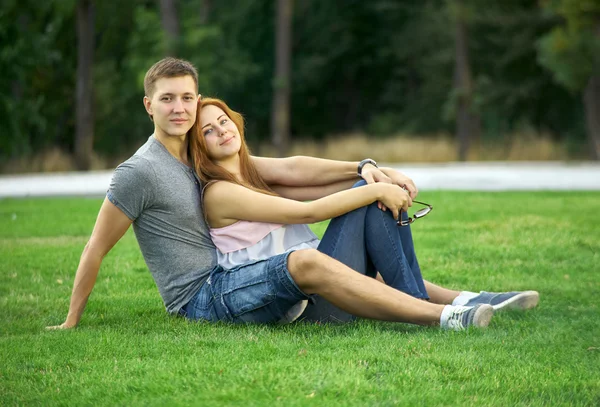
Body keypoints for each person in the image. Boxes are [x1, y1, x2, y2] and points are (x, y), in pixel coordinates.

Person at [47, 57, 536, 333]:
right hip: (203, 296)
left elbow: (292, 169)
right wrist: (71, 321)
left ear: (198, 100)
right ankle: (446, 318)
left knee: (357, 199)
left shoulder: (201, 159)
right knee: (310, 258)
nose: (179, 107)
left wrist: (366, 169)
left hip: (237, 280)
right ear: (148, 104)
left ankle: (473, 300)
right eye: (168, 98)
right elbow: (96, 246)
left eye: (187, 98)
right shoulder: (140, 172)